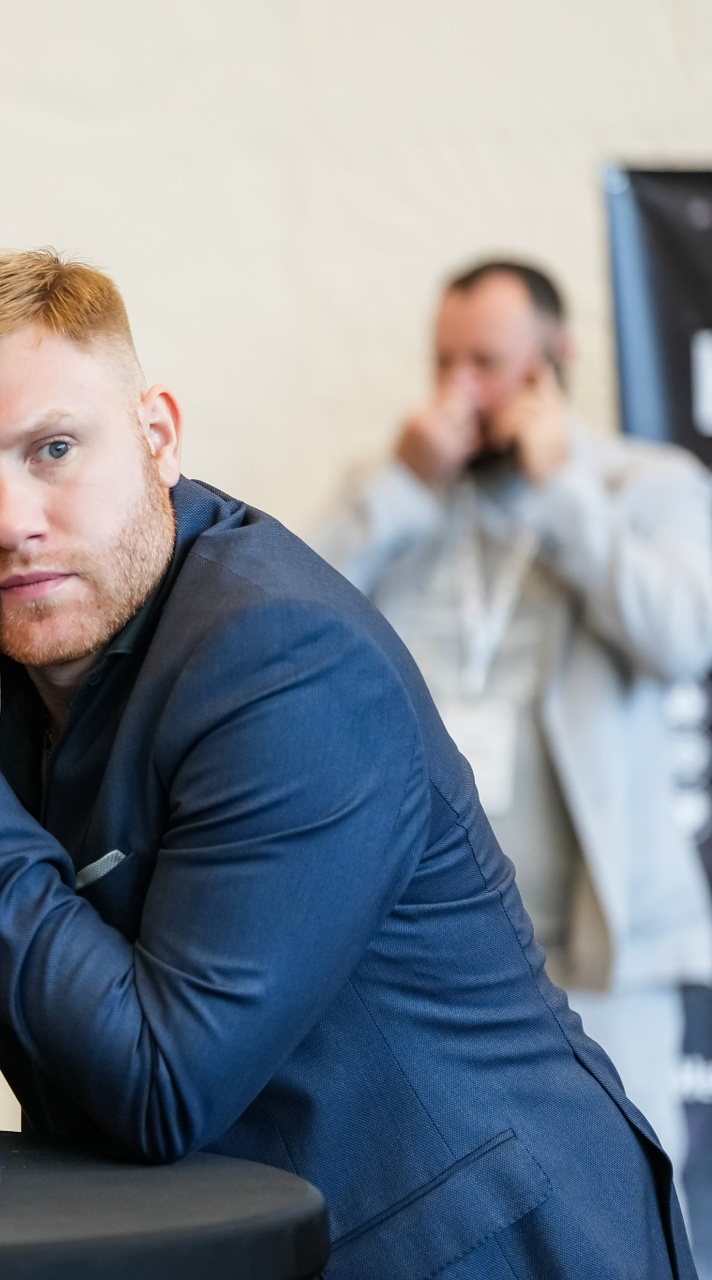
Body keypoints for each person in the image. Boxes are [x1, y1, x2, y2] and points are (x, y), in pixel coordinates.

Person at [0, 250, 692, 1277]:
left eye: (54, 449)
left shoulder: (287, 656)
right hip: (201, 1237)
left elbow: (161, 1083)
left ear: (158, 436)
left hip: (466, 1240)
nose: (10, 522)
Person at [313, 261, 712, 1176]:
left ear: (554, 358)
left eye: (487, 364)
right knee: (451, 1193)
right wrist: (403, 487)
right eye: (444, 363)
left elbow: (683, 636)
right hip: (431, 941)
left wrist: (563, 491)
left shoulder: (644, 484)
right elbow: (292, 626)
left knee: (625, 1189)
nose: (461, 391)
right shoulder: (401, 491)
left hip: (596, 945)